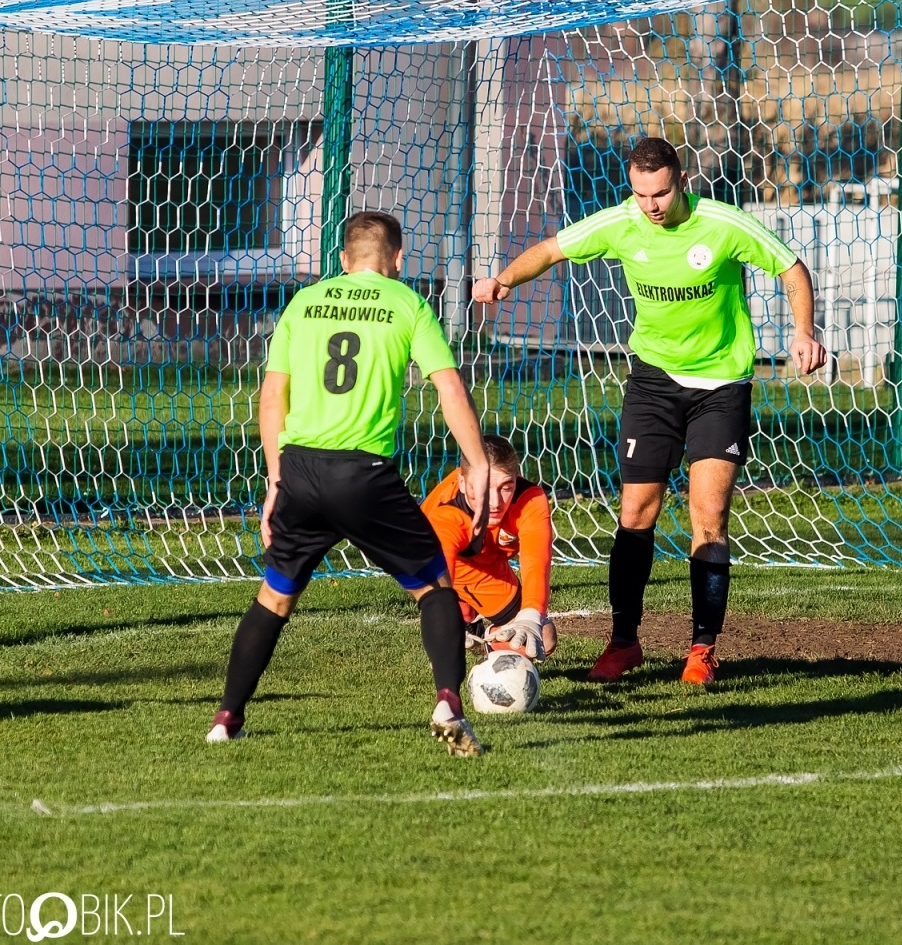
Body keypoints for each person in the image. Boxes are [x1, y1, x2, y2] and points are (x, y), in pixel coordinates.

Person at [473, 136, 827, 684]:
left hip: (720, 385)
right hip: (653, 384)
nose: (651, 206)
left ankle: (701, 651)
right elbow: (550, 250)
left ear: (680, 180)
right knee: (636, 512)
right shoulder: (621, 223)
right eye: (640, 195)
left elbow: (792, 269)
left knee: (708, 516)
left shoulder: (724, 223)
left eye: (659, 193)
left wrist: (804, 332)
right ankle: (623, 642)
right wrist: (502, 280)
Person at [207, 210, 492, 757]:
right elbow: (449, 387)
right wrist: (475, 463)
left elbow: (271, 399)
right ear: (399, 260)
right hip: (364, 476)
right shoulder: (408, 303)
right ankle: (448, 702)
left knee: (274, 596)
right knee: (433, 586)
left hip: (301, 469)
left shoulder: (305, 302)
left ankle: (226, 717)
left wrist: (275, 479)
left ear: (343, 260)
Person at [421, 434, 558, 662]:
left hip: (488, 557)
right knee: (448, 606)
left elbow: (536, 564)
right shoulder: (445, 516)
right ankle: (464, 620)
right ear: (463, 483)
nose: (495, 502)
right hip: (449, 561)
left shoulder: (530, 500)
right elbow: (435, 580)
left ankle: (477, 629)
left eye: (506, 487)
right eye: (484, 487)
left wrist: (531, 616)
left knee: (542, 636)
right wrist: (445, 618)